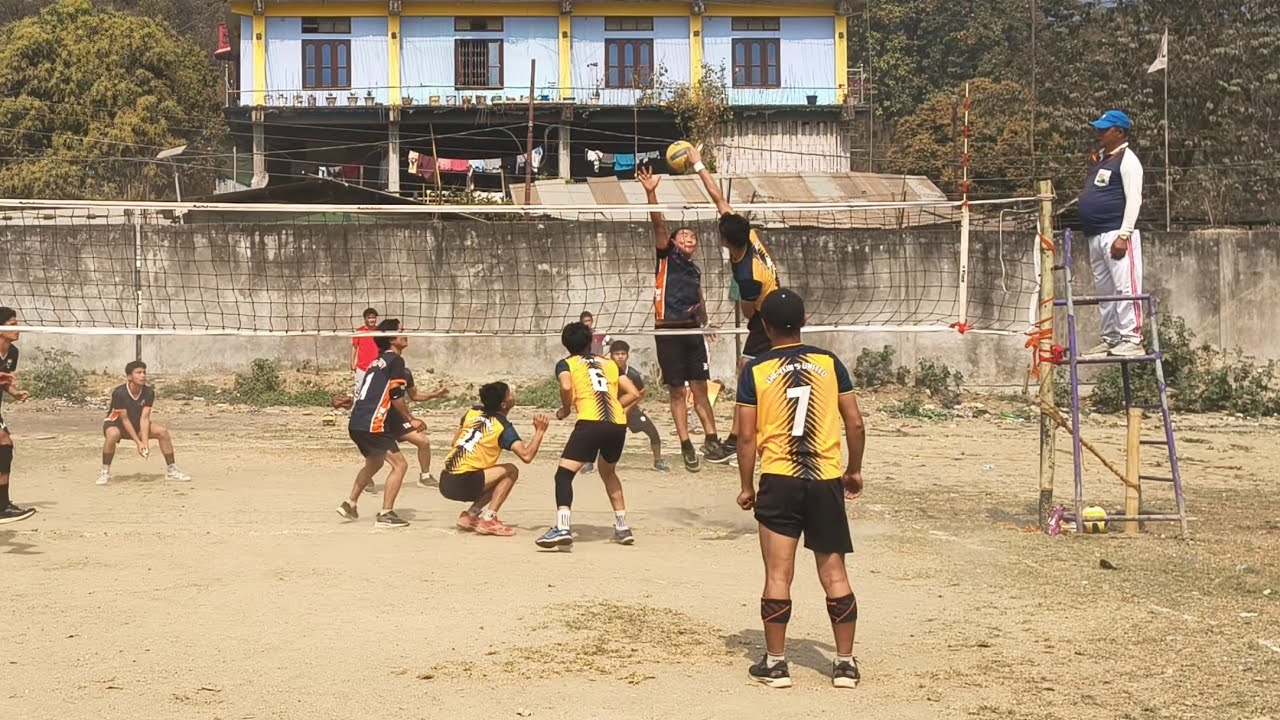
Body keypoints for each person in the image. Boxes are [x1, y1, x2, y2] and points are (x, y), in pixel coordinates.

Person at [734, 289, 866, 690]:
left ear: (765, 326)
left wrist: (745, 486)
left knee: (778, 573)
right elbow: (855, 423)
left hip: (780, 478)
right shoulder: (830, 362)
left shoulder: (755, 370)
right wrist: (853, 471)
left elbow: (745, 437)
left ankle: (775, 664)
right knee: (834, 573)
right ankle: (844, 665)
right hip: (824, 478)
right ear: (804, 321)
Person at [684, 145, 781, 461]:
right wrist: (698, 164)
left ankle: (736, 440)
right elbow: (719, 198)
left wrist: (742, 308)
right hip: (773, 304)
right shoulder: (747, 235)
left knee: (748, 373)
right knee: (749, 371)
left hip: (768, 317)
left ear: (726, 241)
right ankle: (744, 434)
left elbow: (750, 312)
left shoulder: (746, 274)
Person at [637, 165, 730, 472]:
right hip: (668, 331)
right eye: (684, 236)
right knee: (678, 391)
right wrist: (651, 192)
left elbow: (699, 297)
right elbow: (658, 225)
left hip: (691, 330)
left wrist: (705, 322)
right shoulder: (666, 256)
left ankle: (712, 440)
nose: (690, 239)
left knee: (700, 386)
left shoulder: (694, 269)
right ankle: (686, 444)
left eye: (693, 237)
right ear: (674, 243)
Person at [535, 321, 641, 549]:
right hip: (616, 425)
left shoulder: (566, 364)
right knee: (608, 472)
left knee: (563, 476)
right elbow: (634, 392)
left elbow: (565, 387)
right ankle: (622, 526)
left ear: (565, 344)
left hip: (590, 422)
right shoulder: (610, 364)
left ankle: (563, 527)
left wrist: (565, 409)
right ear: (590, 341)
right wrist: (617, 407)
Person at [337, 318, 425, 528]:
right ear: (391, 339)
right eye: (400, 331)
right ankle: (386, 514)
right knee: (400, 464)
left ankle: (350, 503)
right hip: (372, 423)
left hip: (357, 422)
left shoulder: (376, 362)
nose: (405, 334)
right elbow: (396, 396)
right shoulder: (396, 361)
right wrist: (411, 419)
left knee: (375, 462)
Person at [440, 382, 550, 537]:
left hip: (445, 480)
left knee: (496, 476)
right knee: (511, 471)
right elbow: (526, 456)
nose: (513, 394)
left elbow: (454, 442)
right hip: (464, 483)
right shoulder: (502, 426)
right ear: (504, 404)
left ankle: (470, 515)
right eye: (510, 393)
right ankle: (489, 519)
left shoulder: (472, 412)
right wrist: (540, 431)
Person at [1078, 110, 1146, 359]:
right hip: (1096, 236)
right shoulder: (1101, 159)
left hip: (1116, 233)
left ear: (1119, 132)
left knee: (1125, 287)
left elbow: (1134, 200)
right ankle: (1111, 338)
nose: (1099, 133)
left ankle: (1132, 337)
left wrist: (1124, 235)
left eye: (1104, 129)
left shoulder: (1128, 160)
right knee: (1105, 292)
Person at [98, 360, 192, 486]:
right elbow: (124, 419)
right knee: (112, 434)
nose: (143, 375)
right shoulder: (119, 393)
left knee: (162, 432)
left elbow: (145, 418)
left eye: (144, 372)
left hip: (137, 423)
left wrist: (145, 443)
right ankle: (105, 472)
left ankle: (172, 470)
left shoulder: (148, 392)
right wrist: (138, 442)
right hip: (117, 424)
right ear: (129, 377)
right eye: (138, 373)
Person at [607, 340, 670, 472]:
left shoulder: (633, 374)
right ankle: (589, 462)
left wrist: (628, 408)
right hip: (611, 411)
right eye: (617, 354)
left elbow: (641, 392)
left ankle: (658, 461)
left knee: (653, 432)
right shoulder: (606, 372)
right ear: (611, 356)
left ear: (627, 356)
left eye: (623, 354)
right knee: (599, 436)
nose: (620, 356)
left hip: (631, 410)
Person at [0, 307, 35, 524]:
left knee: (5, 445)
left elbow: (4, 381)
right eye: (13, 324)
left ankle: (3, 504)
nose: (18, 328)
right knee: (4, 441)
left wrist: (15, 393)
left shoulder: (12, 353)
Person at [397, 367, 448, 488]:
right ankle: (367, 480)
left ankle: (425, 477)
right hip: (381, 419)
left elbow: (414, 395)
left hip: (398, 419)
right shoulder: (380, 372)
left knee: (423, 442)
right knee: (378, 455)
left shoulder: (405, 373)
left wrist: (435, 395)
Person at [350, 307, 379, 394]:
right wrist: (352, 362)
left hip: (376, 367)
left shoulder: (380, 331)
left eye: (373, 318)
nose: (372, 320)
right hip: (362, 367)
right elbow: (354, 347)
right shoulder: (359, 332)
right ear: (365, 319)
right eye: (369, 318)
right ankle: (356, 407)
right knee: (359, 389)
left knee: (375, 390)